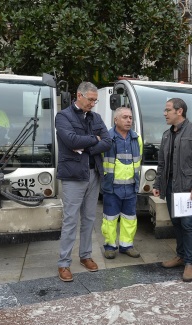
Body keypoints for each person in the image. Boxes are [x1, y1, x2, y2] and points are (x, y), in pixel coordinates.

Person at [55, 82, 112, 282]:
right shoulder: (63, 116)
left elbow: (107, 141)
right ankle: (64, 263)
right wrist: (94, 139)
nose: (93, 104)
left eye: (95, 100)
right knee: (70, 220)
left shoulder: (96, 117)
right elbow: (70, 141)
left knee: (89, 218)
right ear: (78, 95)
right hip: (73, 175)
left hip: (93, 173)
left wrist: (88, 144)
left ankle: (85, 256)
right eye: (90, 99)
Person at [152, 98, 192, 282]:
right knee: (176, 223)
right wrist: (157, 184)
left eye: (168, 110)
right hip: (170, 188)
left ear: (180, 111)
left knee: (188, 225)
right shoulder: (166, 135)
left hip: (188, 189)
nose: (164, 113)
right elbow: (161, 164)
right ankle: (181, 256)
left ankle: (190, 263)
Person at [101, 107, 143, 259]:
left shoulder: (136, 138)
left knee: (129, 218)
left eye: (130, 118)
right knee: (110, 219)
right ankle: (110, 246)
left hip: (131, 187)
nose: (128, 120)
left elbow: (139, 161)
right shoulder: (107, 138)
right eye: (125, 117)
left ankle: (126, 246)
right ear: (116, 120)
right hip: (112, 187)